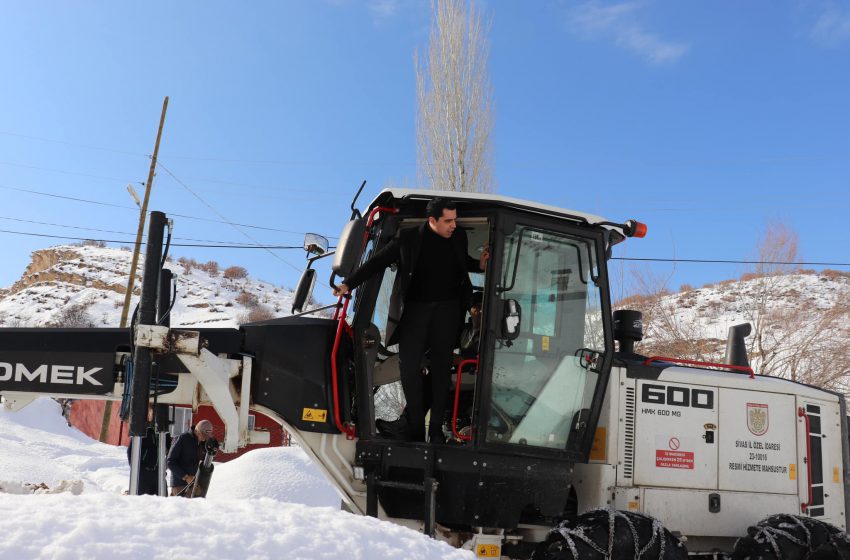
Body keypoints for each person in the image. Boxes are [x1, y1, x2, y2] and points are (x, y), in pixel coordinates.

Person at [335, 198, 489, 443]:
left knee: (440, 370)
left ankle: (436, 429)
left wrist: (479, 266)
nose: (453, 225)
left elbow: (461, 264)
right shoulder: (408, 239)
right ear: (432, 221)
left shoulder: (459, 237)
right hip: (416, 310)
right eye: (448, 221)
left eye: (455, 219)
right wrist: (348, 283)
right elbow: (376, 262)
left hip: (448, 311)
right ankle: (415, 427)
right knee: (408, 367)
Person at [166, 419, 214, 497]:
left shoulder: (201, 443)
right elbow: (170, 461)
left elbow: (204, 460)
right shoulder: (182, 439)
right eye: (204, 435)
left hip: (194, 484)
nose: (205, 439)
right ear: (198, 431)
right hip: (180, 485)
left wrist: (211, 450)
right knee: (181, 508)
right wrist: (186, 477)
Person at [127, 425, 170, 495]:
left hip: (159, 473)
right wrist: (138, 471)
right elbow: (130, 452)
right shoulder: (142, 430)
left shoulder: (164, 431)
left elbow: (170, 449)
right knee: (143, 502)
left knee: (162, 502)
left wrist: (166, 463)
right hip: (143, 475)